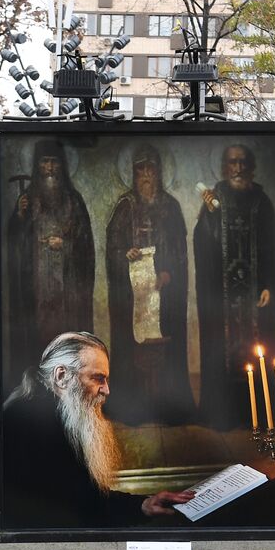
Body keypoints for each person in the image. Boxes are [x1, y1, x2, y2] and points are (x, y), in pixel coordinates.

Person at [0, 331, 193, 530]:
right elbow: (51, 513)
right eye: (97, 378)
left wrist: (144, 504)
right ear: (61, 376)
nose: (106, 390)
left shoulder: (64, 417)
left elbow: (87, 499)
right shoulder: (25, 424)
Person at [193, 143, 275, 428]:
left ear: (251, 167)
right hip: (223, 299)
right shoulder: (214, 197)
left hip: (255, 298)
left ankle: (257, 416)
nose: (238, 168)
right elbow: (202, 245)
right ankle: (223, 415)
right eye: (232, 163)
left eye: (243, 163)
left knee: (258, 350)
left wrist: (270, 284)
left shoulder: (261, 201)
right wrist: (208, 216)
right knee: (223, 352)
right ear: (225, 167)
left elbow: (272, 247)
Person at [104, 144, 194, 424]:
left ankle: (169, 408)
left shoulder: (171, 207)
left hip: (164, 295)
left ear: (159, 172)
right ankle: (132, 408)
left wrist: (169, 275)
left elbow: (180, 253)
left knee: (164, 349)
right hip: (134, 297)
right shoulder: (124, 207)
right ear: (133, 173)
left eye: (150, 168)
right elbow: (112, 249)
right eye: (140, 169)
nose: (145, 175)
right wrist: (124, 254)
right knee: (133, 350)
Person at [5, 139, 95, 375]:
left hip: (68, 287)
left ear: (62, 166)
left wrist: (65, 244)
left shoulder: (74, 201)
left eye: (54, 162)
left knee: (66, 334)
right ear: (37, 166)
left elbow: (85, 243)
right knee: (39, 336)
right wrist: (20, 216)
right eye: (45, 162)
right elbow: (13, 240)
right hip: (37, 286)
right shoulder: (27, 198)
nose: (50, 168)